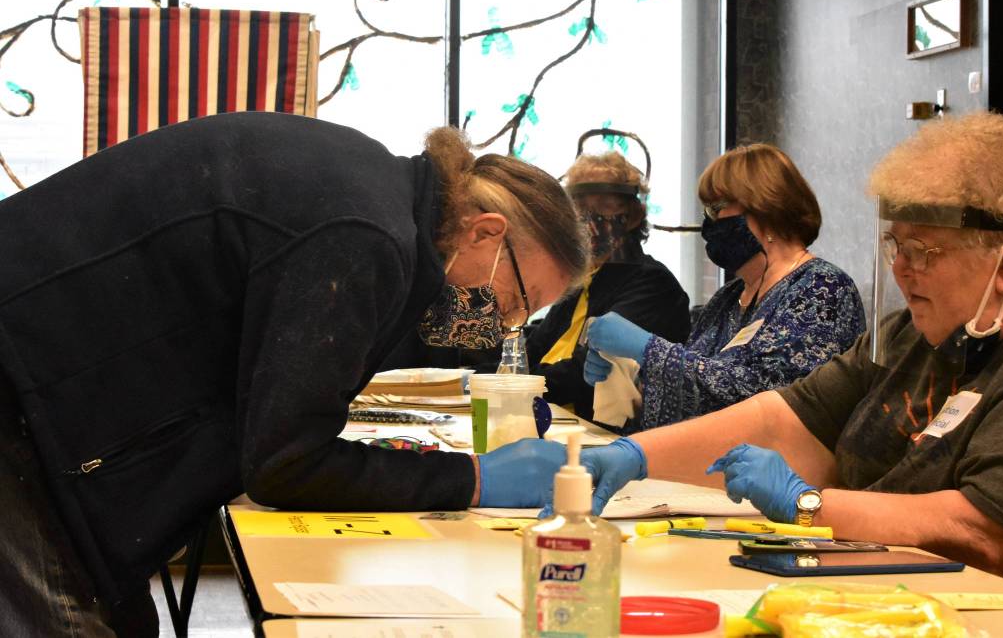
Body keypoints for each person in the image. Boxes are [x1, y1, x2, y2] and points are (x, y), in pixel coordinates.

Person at [0, 111, 585, 636]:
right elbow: (286, 463)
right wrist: (473, 480)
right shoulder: (365, 236)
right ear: (485, 231)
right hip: (22, 394)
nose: (508, 323)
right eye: (519, 298)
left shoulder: (376, 196)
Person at [553, 112, 1003, 582]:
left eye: (923, 251)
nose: (901, 269)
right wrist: (630, 456)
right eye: (894, 247)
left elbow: (985, 529)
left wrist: (808, 505)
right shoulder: (907, 337)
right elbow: (783, 419)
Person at [585, 144, 865, 431]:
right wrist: (629, 378)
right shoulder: (728, 298)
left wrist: (649, 349)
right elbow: (696, 394)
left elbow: (769, 397)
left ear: (766, 207)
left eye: (717, 208)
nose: (709, 223)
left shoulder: (823, 288)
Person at [527, 151, 690, 428]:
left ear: (633, 215)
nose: (589, 222)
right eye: (579, 209)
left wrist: (519, 386)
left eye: (603, 208)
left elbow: (583, 373)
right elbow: (537, 345)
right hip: (551, 420)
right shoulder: (583, 281)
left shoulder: (653, 284)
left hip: (602, 436)